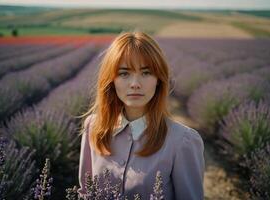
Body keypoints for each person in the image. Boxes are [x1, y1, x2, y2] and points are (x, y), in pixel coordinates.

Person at [77, 31, 205, 200]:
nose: (135, 84)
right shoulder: (93, 127)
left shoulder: (182, 141)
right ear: (111, 80)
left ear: (159, 79)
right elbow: (86, 193)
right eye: (124, 73)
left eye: (146, 73)